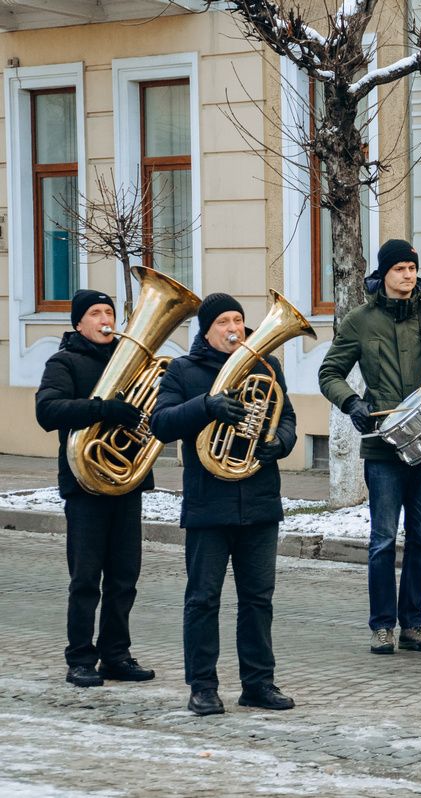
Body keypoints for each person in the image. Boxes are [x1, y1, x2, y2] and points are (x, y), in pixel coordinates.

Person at [150, 293, 297, 717]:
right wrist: (206, 406)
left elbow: (286, 417)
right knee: (203, 599)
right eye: (224, 322)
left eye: (238, 320)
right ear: (206, 328)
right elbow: (161, 423)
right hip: (208, 503)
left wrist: (280, 442)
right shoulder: (183, 370)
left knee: (258, 599)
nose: (234, 328)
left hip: (259, 501)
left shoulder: (265, 365)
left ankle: (258, 683)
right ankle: (202, 686)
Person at [319, 239, 421, 656]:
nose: (408, 275)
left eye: (412, 268)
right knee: (383, 539)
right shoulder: (360, 321)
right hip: (383, 446)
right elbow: (330, 372)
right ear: (383, 274)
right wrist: (352, 402)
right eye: (399, 268)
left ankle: (414, 624)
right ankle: (382, 625)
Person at [35, 289, 157, 688]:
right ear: (78, 323)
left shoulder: (136, 360)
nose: (106, 319)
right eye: (95, 313)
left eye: (109, 312)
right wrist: (102, 408)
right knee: (86, 577)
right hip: (84, 484)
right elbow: (47, 411)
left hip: (125, 481)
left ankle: (115, 655)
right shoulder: (63, 362)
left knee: (124, 576)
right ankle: (80, 658)